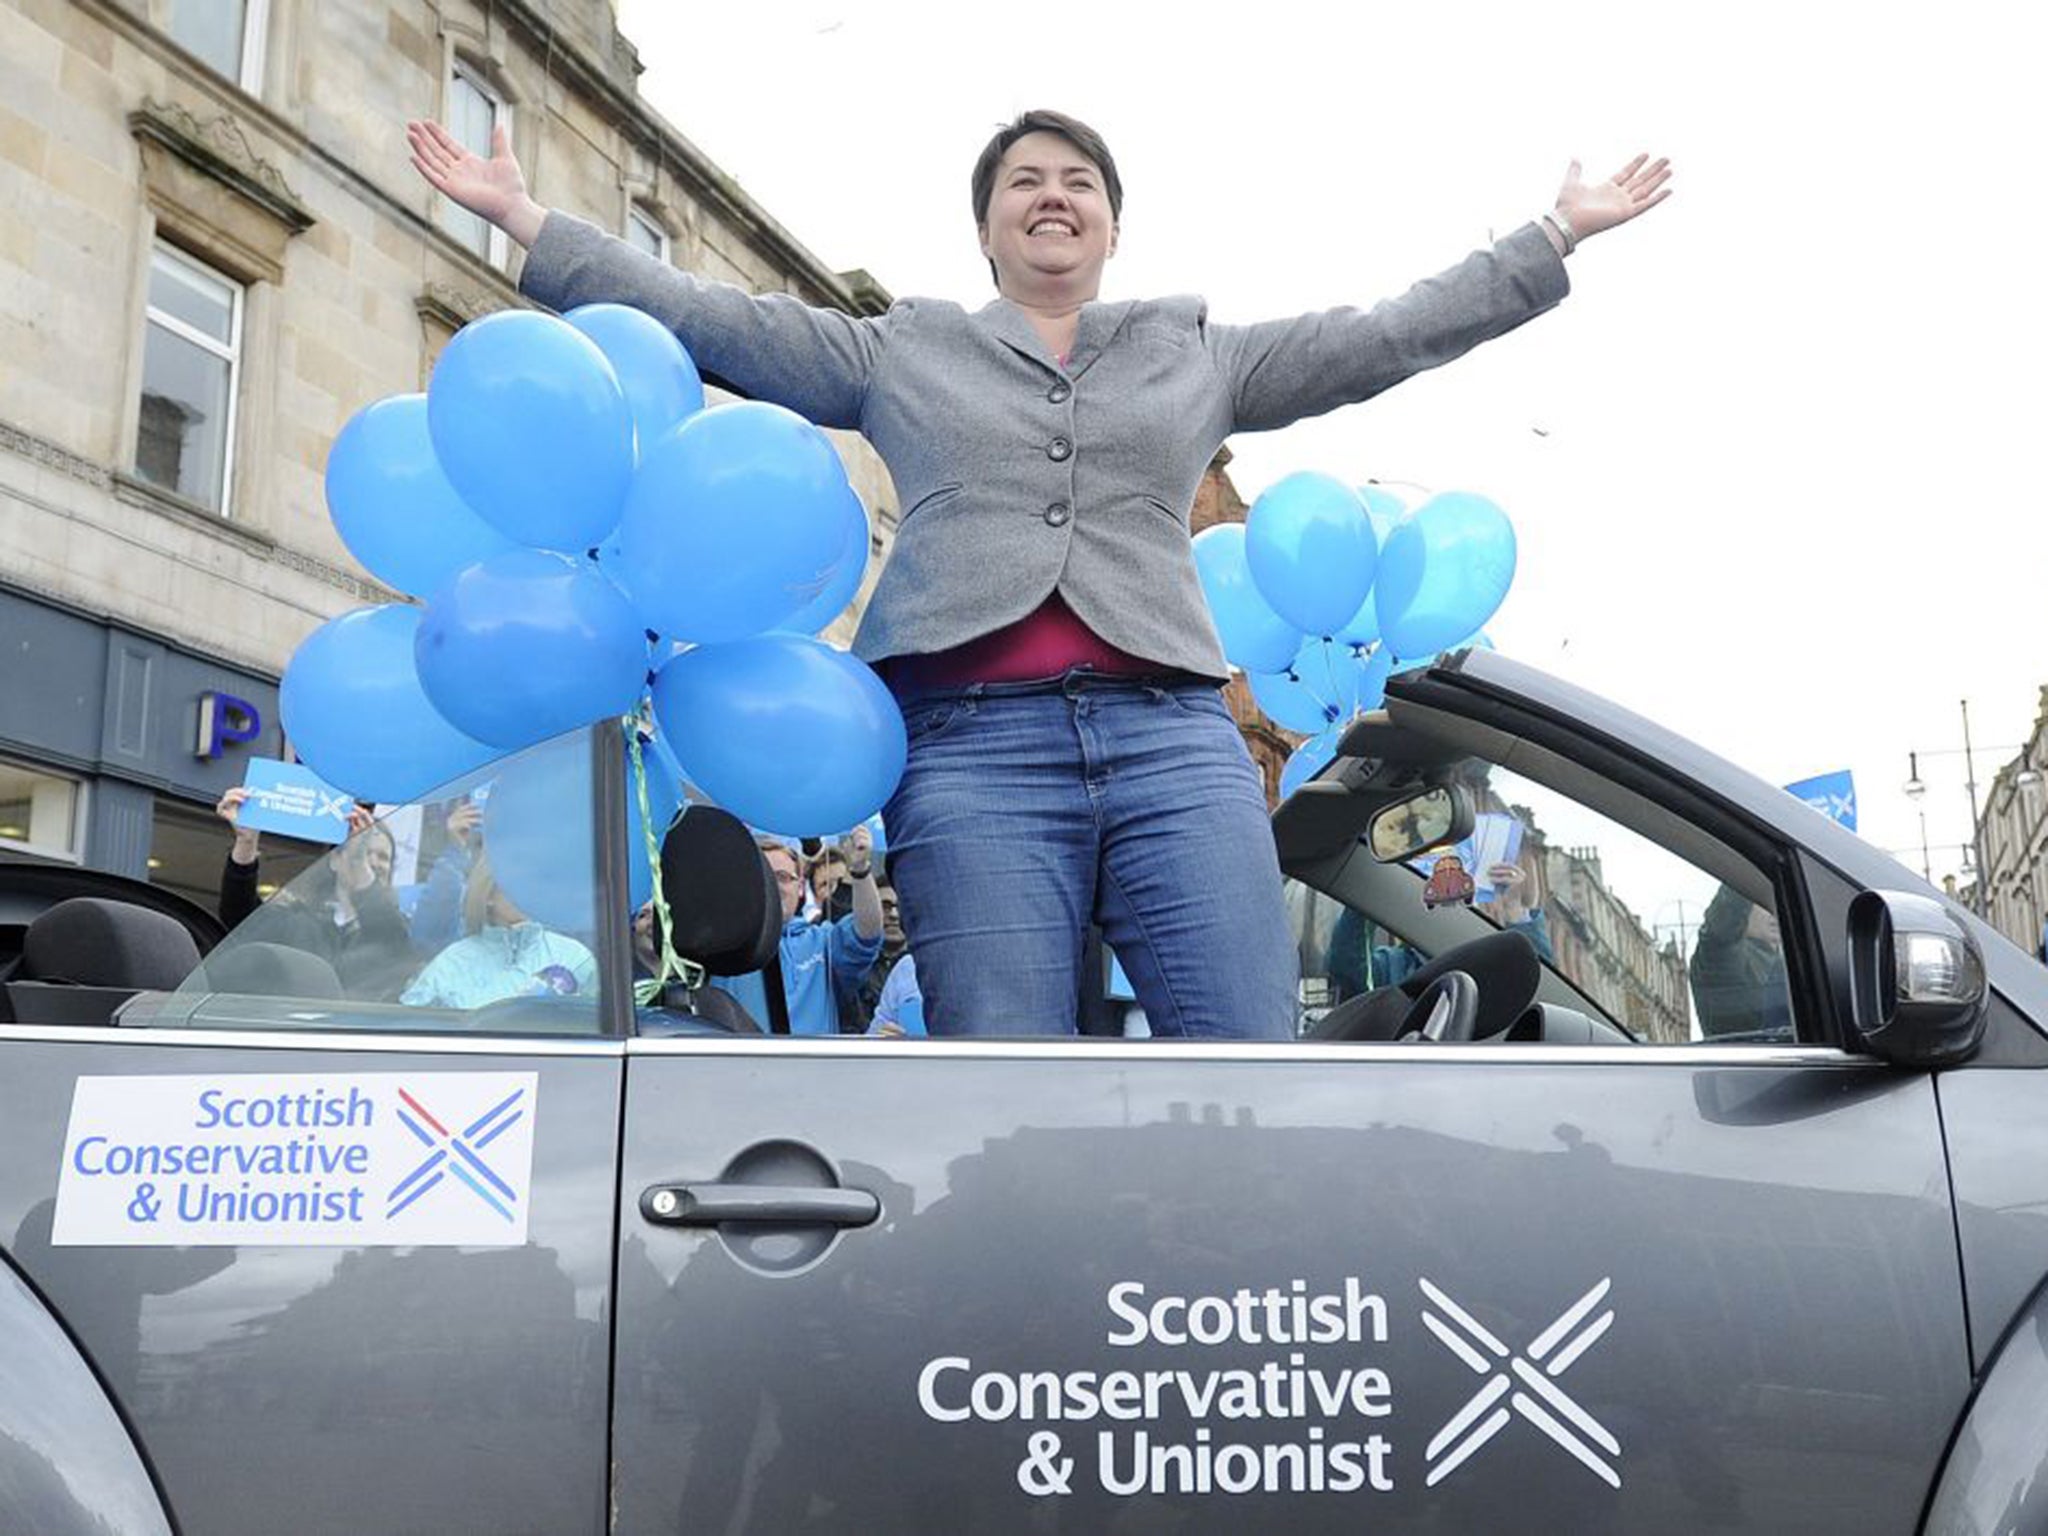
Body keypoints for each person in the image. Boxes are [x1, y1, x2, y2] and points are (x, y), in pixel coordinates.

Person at [408, 110, 1671, 1040]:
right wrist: (533, 223)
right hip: (969, 752)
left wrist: (1550, 234)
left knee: (1246, 1043)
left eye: (1077, 182)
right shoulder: (903, 348)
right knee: (1005, 1059)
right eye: (1023, 182)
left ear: (1112, 224)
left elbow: (1377, 336)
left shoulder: (1194, 352)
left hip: (1173, 738)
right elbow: (723, 320)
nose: (1050, 195)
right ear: (988, 226)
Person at [214, 787, 413, 997]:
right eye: (366, 852)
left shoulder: (397, 929)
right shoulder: (296, 921)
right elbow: (240, 917)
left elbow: (393, 943)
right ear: (335, 860)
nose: (374, 862)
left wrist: (357, 860)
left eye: (383, 857)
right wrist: (246, 841)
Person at [712, 828, 883, 1034]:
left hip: (811, 1064)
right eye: (763, 877)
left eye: (782, 877)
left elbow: (867, 933)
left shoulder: (822, 941)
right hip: (739, 1064)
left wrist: (860, 869)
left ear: (800, 887)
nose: (773, 886)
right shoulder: (722, 946)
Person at [401, 851, 597, 1009]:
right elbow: (410, 1032)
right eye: (518, 883)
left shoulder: (575, 957)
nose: (529, 893)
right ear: (488, 893)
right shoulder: (452, 963)